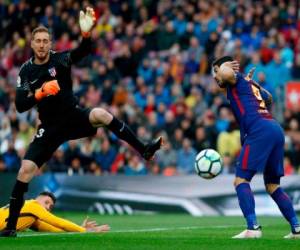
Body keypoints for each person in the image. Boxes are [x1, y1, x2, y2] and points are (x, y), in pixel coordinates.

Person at [0, 7, 162, 237]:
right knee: (25, 170)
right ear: (32, 44)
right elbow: (19, 104)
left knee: (101, 114)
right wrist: (41, 92)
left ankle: (144, 149)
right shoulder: (26, 71)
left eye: (46, 40)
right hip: (50, 127)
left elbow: (84, 51)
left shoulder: (60, 59)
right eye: (38, 41)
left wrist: (86, 34)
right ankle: (10, 228)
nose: (42, 45)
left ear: (50, 42)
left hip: (72, 116)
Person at [212, 56, 300, 239]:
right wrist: (254, 85)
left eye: (216, 71)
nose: (215, 76)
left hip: (259, 130)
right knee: (273, 185)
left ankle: (252, 228)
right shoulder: (246, 82)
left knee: (241, 181)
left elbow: (227, 73)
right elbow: (268, 99)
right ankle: (297, 229)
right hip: (274, 129)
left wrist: (226, 67)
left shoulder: (234, 77)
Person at [0, 191, 110, 233]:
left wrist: (79, 228)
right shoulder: (35, 206)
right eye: (46, 202)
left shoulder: (30, 214)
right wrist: (86, 231)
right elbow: (58, 222)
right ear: (38, 198)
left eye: (50, 206)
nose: (48, 207)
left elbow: (54, 229)